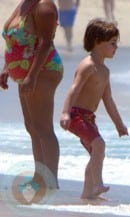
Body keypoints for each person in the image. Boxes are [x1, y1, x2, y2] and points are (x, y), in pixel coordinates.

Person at [60, 18, 128, 199]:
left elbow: (108, 100)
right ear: (98, 42)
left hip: (89, 118)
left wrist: (119, 124)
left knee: (97, 153)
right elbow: (74, 89)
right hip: (76, 116)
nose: (116, 48)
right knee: (99, 145)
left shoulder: (104, 71)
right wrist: (65, 112)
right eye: (112, 44)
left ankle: (87, 193)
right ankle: (97, 184)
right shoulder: (88, 65)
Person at [0, 0, 63, 188]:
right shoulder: (23, 4)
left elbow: (45, 43)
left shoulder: (44, 6)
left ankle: (51, 182)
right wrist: (7, 68)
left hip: (43, 71)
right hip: (26, 73)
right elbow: (15, 42)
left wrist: (32, 76)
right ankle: (39, 177)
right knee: (32, 127)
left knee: (43, 128)